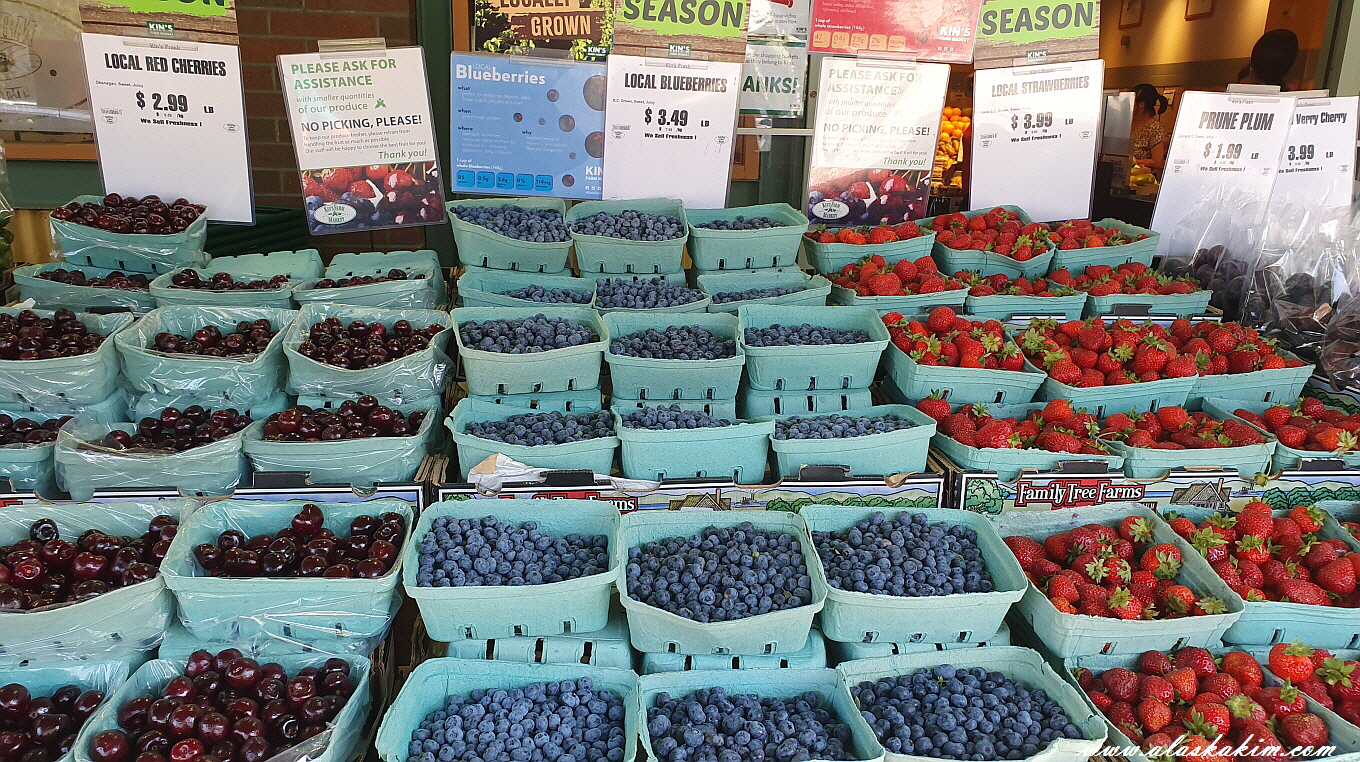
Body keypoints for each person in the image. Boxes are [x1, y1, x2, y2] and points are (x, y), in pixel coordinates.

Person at [1130, 83, 1169, 174]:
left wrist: (1132, 161)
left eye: (1132, 100)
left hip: (1142, 177)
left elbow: (1157, 162)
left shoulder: (1155, 129)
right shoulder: (1127, 123)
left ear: (1141, 104)